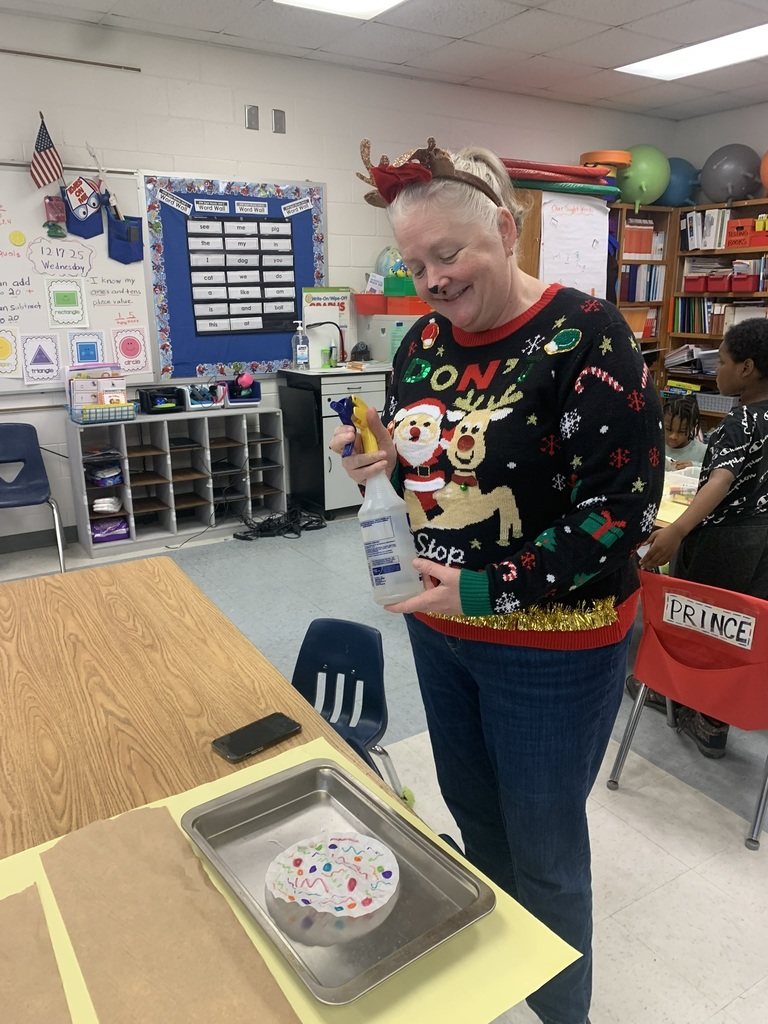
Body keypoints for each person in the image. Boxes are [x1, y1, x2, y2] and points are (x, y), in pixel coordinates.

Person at [332, 137, 664, 1024]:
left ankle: (562, 1012)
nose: (432, 279)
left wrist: (485, 588)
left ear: (506, 232)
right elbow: (429, 480)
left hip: (555, 649)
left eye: (449, 254)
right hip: (441, 636)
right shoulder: (421, 344)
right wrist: (380, 468)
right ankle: (507, 974)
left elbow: (616, 516)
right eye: (414, 264)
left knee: (545, 848)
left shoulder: (588, 333)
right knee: (477, 823)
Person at [638, 318, 768, 758]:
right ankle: (716, 720)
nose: (718, 371)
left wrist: (677, 528)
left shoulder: (742, 420)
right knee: (741, 631)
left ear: (747, 368)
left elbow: (721, 481)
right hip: (763, 545)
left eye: (725, 361)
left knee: (696, 623)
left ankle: (676, 694)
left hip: (725, 541)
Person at [663, 393, 707, 469]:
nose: (673, 436)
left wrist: (695, 466)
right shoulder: (653, 445)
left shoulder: (703, 452)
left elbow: (715, 472)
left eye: (681, 431)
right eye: (668, 429)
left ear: (692, 428)